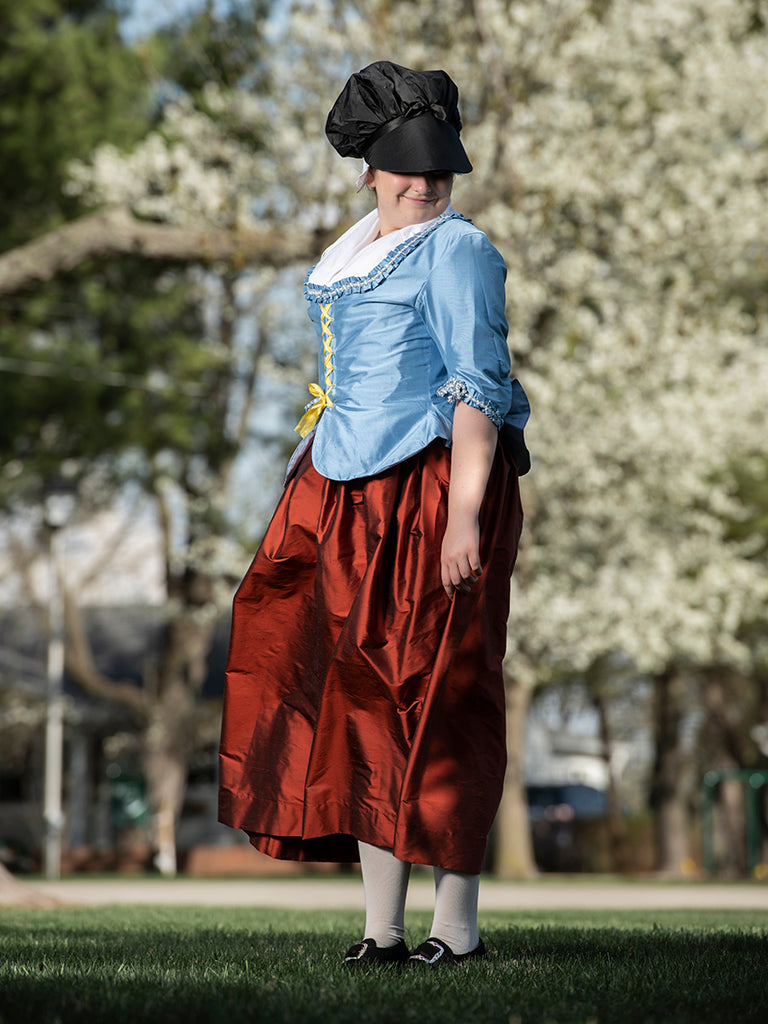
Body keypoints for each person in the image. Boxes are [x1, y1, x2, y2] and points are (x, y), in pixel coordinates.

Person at [218, 60, 530, 968]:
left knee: (442, 690)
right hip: (346, 497)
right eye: (407, 166)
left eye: (438, 167)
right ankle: (380, 930)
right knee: (355, 698)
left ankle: (456, 930)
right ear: (369, 168)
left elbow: (479, 388)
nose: (425, 181)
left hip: (434, 488)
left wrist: (465, 515)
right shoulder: (351, 253)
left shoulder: (458, 250)